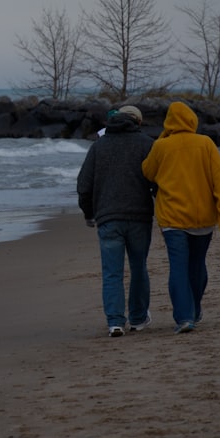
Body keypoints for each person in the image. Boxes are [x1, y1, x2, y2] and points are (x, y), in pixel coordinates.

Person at [141, 101, 220, 334]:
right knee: (197, 265)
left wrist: (164, 137)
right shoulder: (206, 144)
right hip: (203, 217)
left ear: (168, 122)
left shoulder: (161, 146)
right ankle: (194, 309)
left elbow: (147, 172)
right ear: (192, 121)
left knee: (179, 268)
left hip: (172, 218)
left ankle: (185, 317)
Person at [77, 105, 156, 337]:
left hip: (108, 217)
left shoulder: (98, 146)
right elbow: (158, 180)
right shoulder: (146, 144)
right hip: (139, 216)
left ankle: (115, 322)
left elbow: (84, 185)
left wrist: (89, 213)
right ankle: (139, 318)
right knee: (139, 267)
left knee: (112, 272)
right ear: (138, 123)